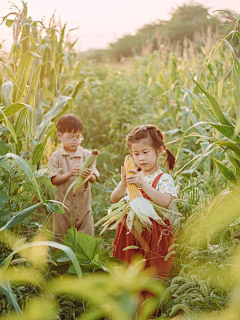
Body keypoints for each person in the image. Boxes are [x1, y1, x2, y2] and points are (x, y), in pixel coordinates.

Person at [111, 124, 177, 280]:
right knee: (128, 268)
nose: (141, 158)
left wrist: (143, 185)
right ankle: (128, 300)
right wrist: (123, 184)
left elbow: (166, 201)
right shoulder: (133, 175)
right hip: (130, 232)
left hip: (155, 234)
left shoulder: (164, 179)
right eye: (136, 154)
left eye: (145, 152)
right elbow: (114, 199)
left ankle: (150, 301)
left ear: (159, 150)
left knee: (152, 271)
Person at [49, 114, 99, 243]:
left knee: (86, 240)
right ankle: (63, 263)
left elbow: (93, 178)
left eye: (78, 137)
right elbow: (54, 180)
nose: (75, 141)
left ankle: (84, 262)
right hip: (62, 208)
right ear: (59, 136)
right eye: (70, 137)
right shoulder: (56, 157)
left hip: (84, 208)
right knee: (62, 239)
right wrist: (70, 174)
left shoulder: (87, 155)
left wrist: (88, 175)